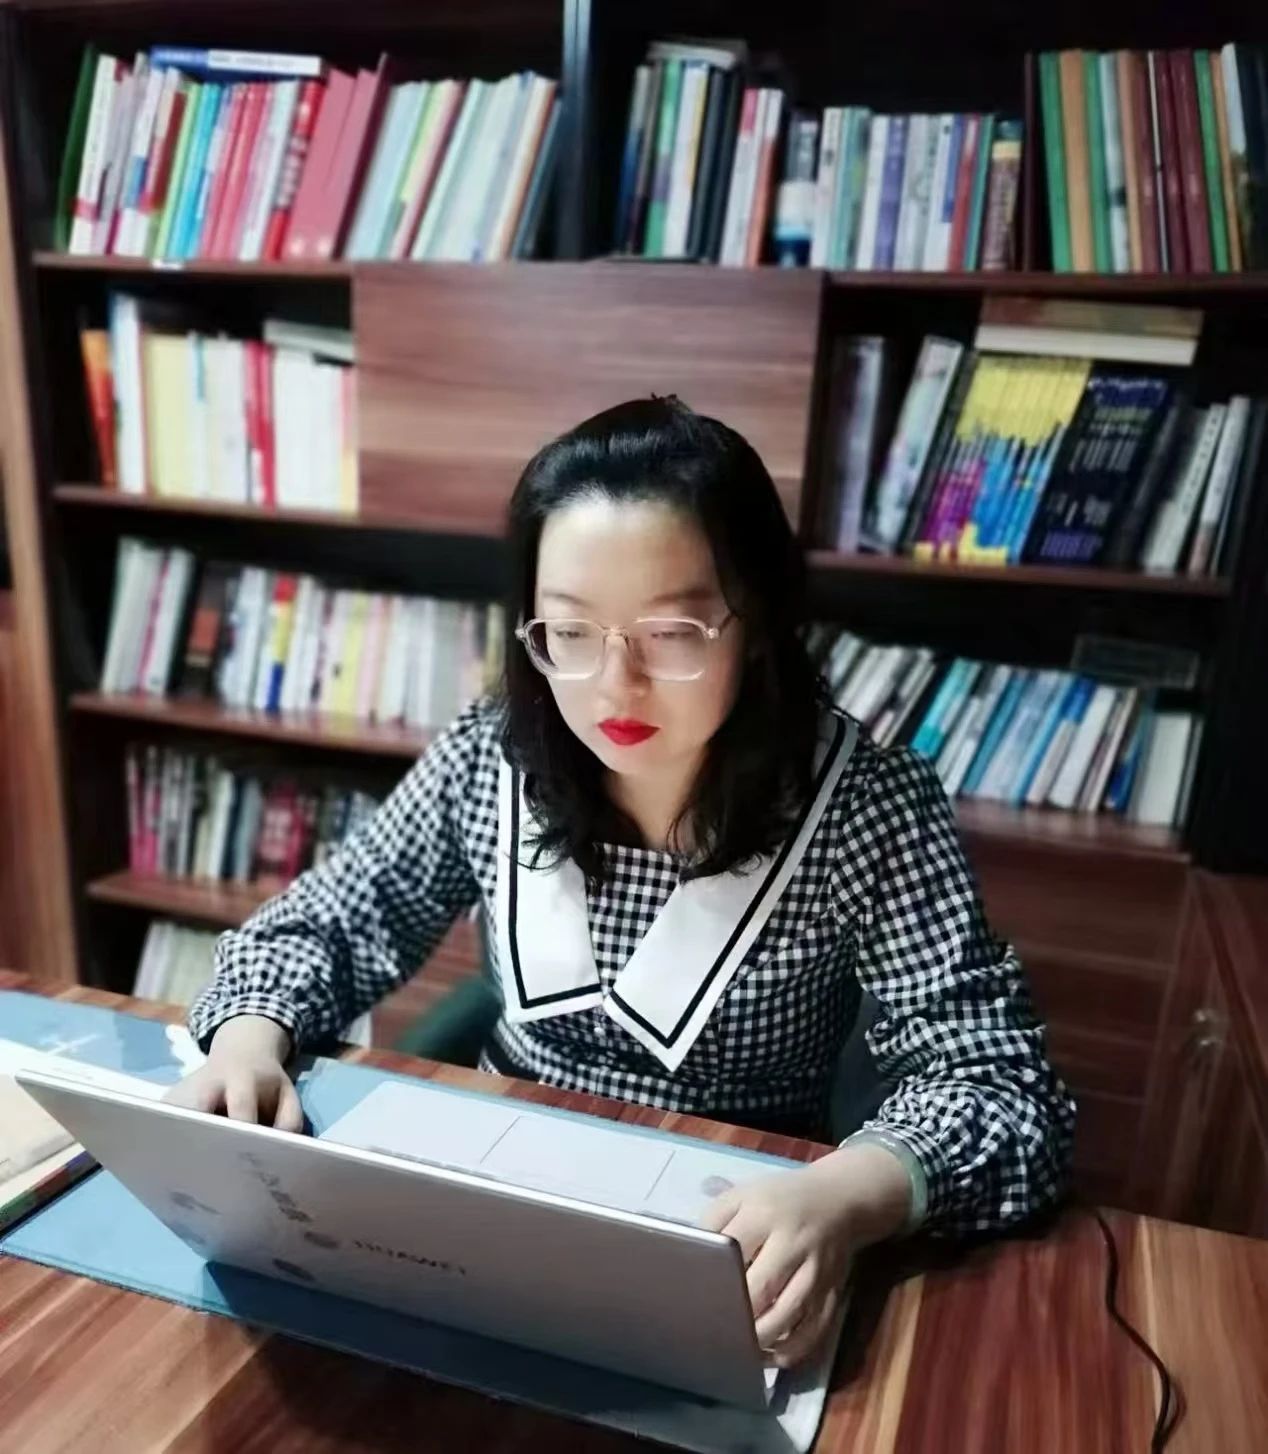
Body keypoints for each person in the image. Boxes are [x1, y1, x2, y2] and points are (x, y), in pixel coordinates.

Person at [172, 396, 1075, 1368]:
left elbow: (998, 1083)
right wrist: (249, 1040)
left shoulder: (868, 808)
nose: (614, 685)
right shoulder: (493, 757)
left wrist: (846, 1194)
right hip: (490, 1203)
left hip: (736, 1230)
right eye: (569, 631)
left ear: (757, 621)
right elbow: (338, 918)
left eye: (672, 631)